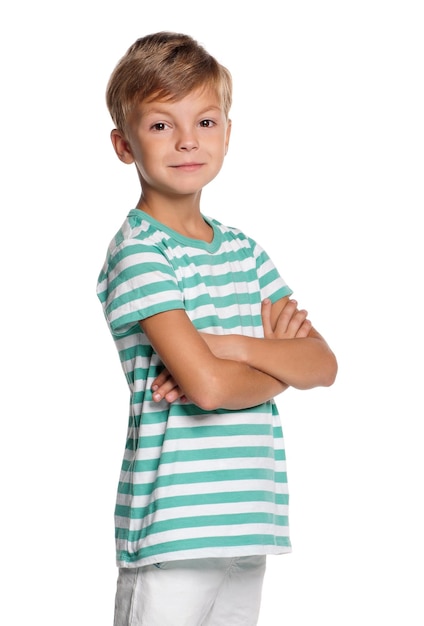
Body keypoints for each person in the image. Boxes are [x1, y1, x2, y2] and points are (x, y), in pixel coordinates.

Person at [97, 31, 337, 626]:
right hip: (174, 531)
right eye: (160, 125)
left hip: (249, 522)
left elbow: (324, 366)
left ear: (228, 131)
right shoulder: (140, 252)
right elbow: (206, 389)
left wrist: (228, 348)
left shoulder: (245, 252)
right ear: (124, 145)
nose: (186, 141)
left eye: (205, 121)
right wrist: (276, 360)